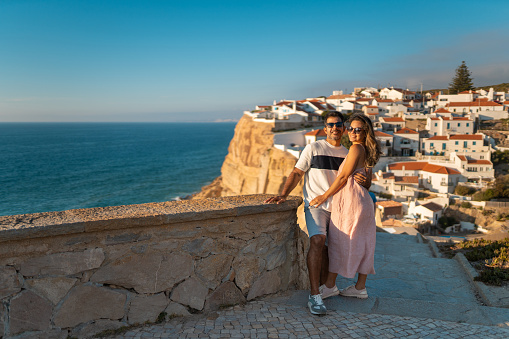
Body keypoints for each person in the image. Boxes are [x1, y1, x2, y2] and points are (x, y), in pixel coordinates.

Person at [264, 111, 370, 315]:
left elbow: (359, 177)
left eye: (339, 124)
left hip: (341, 207)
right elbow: (297, 172)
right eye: (330, 125)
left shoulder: (349, 152)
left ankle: (327, 288)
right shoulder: (313, 148)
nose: (335, 128)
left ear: (344, 128)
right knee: (318, 241)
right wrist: (283, 194)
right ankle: (314, 296)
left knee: (333, 249)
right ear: (325, 128)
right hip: (316, 206)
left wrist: (367, 181)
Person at [310, 113, 382, 301]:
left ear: (366, 132)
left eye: (357, 129)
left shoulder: (356, 149)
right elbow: (368, 182)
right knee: (364, 243)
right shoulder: (366, 150)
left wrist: (324, 196)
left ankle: (330, 286)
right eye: (350, 128)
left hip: (350, 202)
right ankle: (360, 288)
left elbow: (342, 178)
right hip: (362, 200)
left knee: (338, 241)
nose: (352, 132)